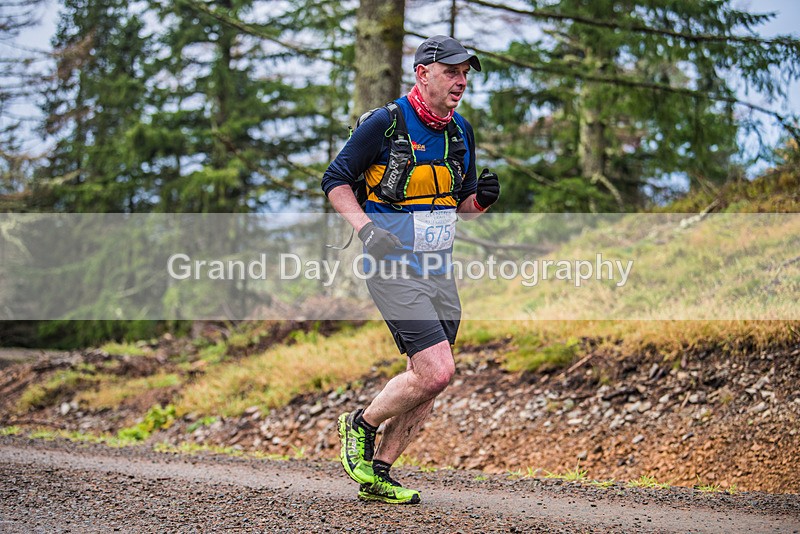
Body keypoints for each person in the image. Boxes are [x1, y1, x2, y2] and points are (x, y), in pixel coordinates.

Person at [320, 35, 500, 504]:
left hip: (439, 269)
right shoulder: (385, 123)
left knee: (428, 381)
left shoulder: (460, 131)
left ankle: (379, 473)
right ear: (423, 73)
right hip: (392, 263)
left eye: (465, 74)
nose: (461, 82)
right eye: (452, 73)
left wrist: (479, 201)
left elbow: (454, 206)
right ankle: (359, 424)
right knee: (437, 370)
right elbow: (335, 181)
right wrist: (365, 231)